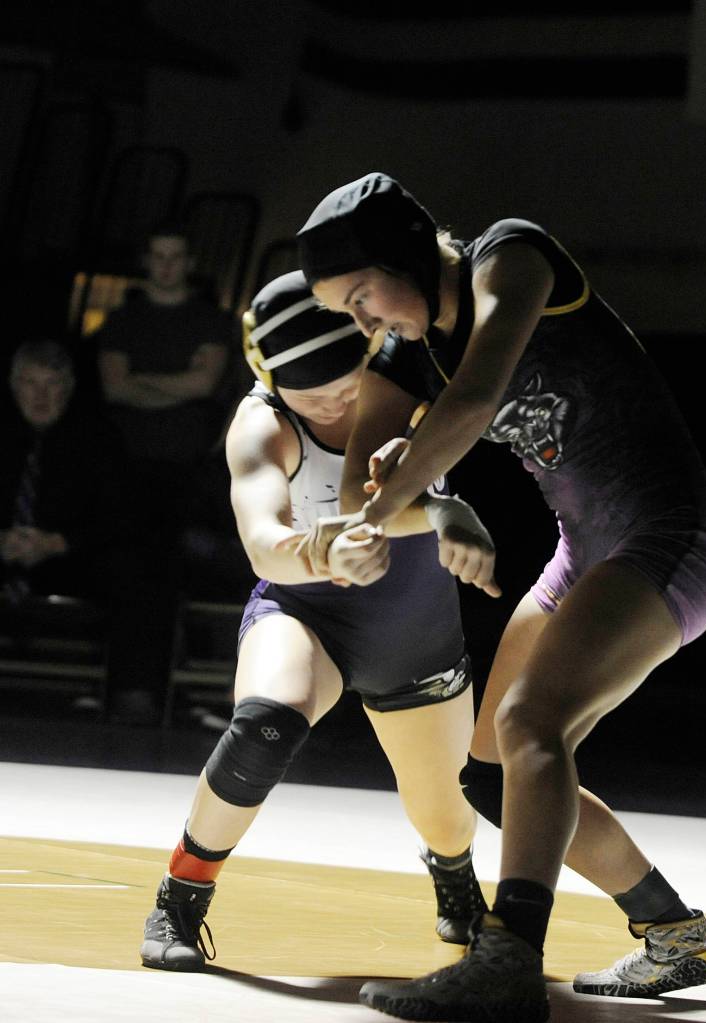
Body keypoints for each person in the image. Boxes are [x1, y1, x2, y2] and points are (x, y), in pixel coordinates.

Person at [295, 172, 706, 1022]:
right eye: (344, 313)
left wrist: (403, 500)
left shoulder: (513, 255)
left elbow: (476, 394)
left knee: (532, 722)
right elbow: (358, 483)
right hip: (586, 551)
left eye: (362, 297)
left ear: (412, 256)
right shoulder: (402, 353)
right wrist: (433, 501)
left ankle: (509, 958)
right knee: (493, 771)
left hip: (670, 534)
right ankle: (676, 932)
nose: (363, 323)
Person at [140, 271, 494, 971]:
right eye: (315, 394)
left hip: (414, 627)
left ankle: (454, 881)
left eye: (346, 383)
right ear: (272, 380)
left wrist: (446, 509)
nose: (336, 406)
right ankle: (179, 895)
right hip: (307, 605)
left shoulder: (409, 381)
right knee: (266, 722)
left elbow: (423, 482)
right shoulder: (262, 422)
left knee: (447, 816)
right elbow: (264, 544)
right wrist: (323, 546)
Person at [96, 221, 236, 723]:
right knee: (134, 573)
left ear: (189, 263)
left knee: (170, 573)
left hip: (187, 475)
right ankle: (131, 690)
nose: (167, 266)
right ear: (146, 260)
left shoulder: (211, 320)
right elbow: (114, 391)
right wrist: (177, 385)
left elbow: (205, 384)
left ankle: (157, 693)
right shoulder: (122, 321)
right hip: (128, 471)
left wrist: (141, 382)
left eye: (176, 256)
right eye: (158, 255)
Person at [0, 339, 119, 603]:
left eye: (51, 383)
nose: (40, 395)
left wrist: (56, 543)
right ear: (13, 385)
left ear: (68, 388)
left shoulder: (98, 443)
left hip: (73, 576)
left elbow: (116, 519)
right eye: (30, 383)